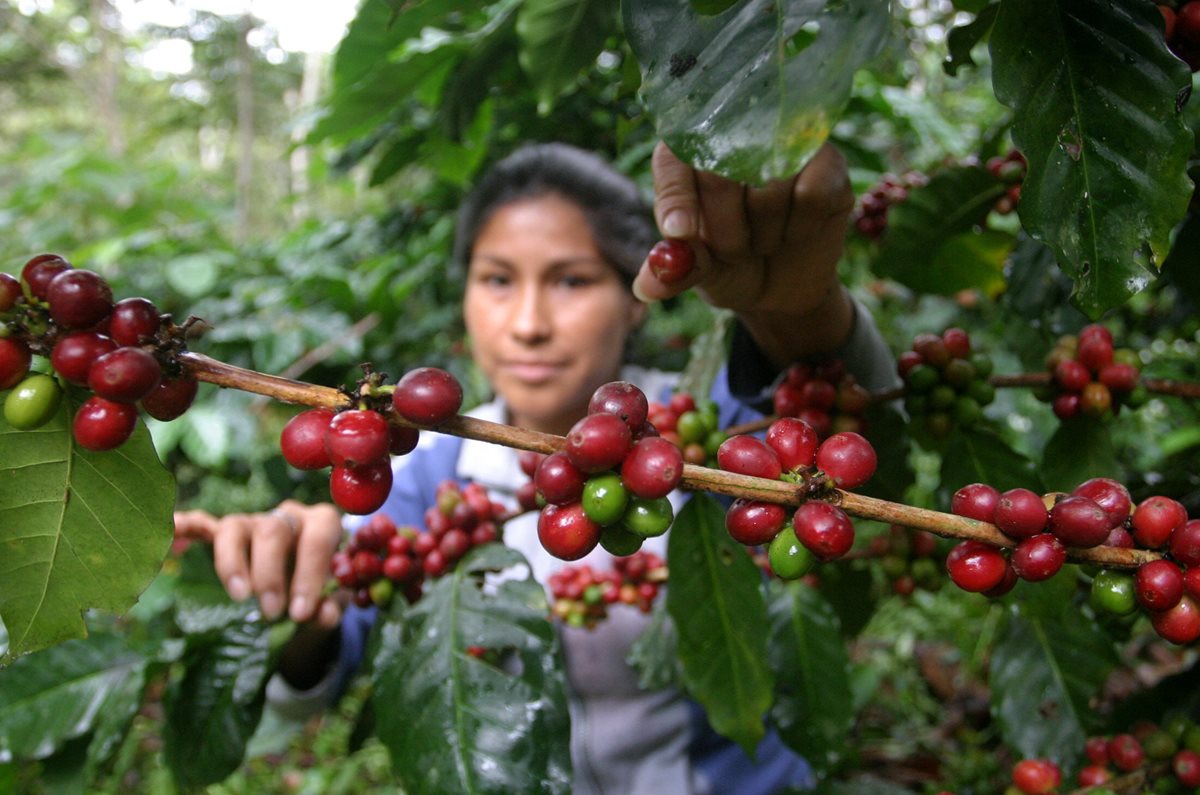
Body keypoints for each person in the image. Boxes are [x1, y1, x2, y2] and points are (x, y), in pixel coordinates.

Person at [174, 140, 898, 793]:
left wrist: (798, 311)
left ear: (636, 300)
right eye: (496, 279)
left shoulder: (699, 439)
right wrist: (299, 597)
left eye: (572, 280)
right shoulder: (426, 473)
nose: (527, 323)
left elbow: (843, 425)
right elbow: (318, 678)